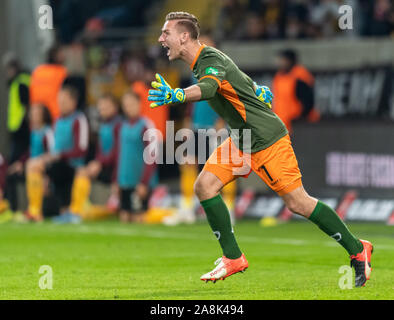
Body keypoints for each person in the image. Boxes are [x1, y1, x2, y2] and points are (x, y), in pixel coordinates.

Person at [148, 11, 373, 287]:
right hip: (241, 139)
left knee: (298, 203)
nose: (160, 39)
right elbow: (237, 80)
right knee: (204, 186)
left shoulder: (209, 59)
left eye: (165, 33)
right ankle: (233, 257)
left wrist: (179, 94)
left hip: (266, 140)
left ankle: (357, 247)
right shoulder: (205, 61)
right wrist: (257, 90)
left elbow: (208, 87)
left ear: (183, 36)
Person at [25, 85, 89, 223]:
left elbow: (81, 150)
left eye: (64, 101)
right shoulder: (58, 120)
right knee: (33, 165)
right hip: (58, 165)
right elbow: (54, 149)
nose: (61, 104)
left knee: (82, 172)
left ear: (73, 102)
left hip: (72, 165)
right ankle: (34, 211)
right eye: (59, 100)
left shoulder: (79, 119)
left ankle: (76, 212)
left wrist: (59, 155)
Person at [66, 93, 122, 217]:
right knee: (82, 171)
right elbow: (100, 150)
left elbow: (118, 151)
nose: (103, 110)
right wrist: (97, 162)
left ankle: (79, 210)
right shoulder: (103, 125)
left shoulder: (119, 125)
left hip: (117, 168)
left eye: (106, 107)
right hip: (105, 165)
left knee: (122, 213)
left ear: (115, 107)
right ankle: (77, 209)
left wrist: (101, 164)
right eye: (101, 108)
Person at [117, 90, 158, 223]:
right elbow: (120, 155)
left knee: (138, 218)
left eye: (131, 104)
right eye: (126, 105)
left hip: (139, 181)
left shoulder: (146, 125)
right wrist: (116, 179)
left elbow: (152, 156)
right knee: (124, 216)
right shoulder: (122, 126)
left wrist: (144, 183)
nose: (129, 108)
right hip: (124, 181)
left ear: (139, 104)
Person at [5, 104, 53, 216]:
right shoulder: (33, 132)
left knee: (32, 167)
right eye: (32, 113)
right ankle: (13, 210)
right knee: (10, 174)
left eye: (36, 113)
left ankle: (35, 209)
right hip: (30, 165)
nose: (33, 116)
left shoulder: (47, 132)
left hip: (44, 167)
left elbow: (51, 153)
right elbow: (30, 152)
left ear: (43, 116)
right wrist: (20, 163)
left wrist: (46, 174)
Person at [272, 49, 319, 133]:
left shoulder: (300, 76)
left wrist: (300, 117)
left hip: (297, 124)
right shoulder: (279, 76)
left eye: (282, 60)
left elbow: (307, 100)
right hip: (282, 123)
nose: (279, 62)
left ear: (289, 61)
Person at [2, 53, 31, 168]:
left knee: (17, 157)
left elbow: (26, 104)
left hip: (21, 125)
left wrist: (27, 121)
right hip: (17, 125)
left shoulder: (20, 82)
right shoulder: (18, 82)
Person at [30, 45, 68, 121]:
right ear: (55, 56)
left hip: (38, 116)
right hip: (56, 116)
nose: (64, 56)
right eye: (61, 54)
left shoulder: (37, 71)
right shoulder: (62, 72)